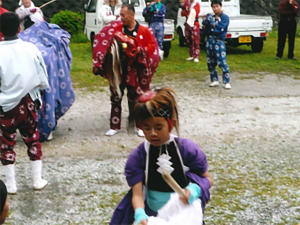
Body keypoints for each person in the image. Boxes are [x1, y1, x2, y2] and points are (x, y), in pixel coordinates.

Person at [110, 87, 213, 225]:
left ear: (171, 124)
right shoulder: (139, 156)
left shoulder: (186, 149)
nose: (153, 133)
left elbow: (208, 179)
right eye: (147, 128)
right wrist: (140, 213)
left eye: (158, 128)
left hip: (183, 215)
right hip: (153, 215)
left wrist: (195, 189)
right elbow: (137, 194)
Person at [93, 4, 159, 137]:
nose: (120, 18)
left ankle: (138, 125)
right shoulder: (117, 29)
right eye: (120, 15)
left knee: (136, 97)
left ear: (132, 15)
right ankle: (114, 125)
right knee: (116, 95)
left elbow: (152, 46)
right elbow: (108, 43)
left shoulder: (144, 31)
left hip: (135, 70)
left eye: (123, 15)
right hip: (119, 69)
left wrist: (139, 49)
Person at [0, 12, 49, 194]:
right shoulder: (31, 48)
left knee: (6, 143)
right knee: (33, 139)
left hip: (5, 105)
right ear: (19, 28)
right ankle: (37, 180)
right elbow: (43, 77)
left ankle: (11, 185)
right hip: (28, 101)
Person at [202, 0, 231, 89]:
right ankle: (214, 80)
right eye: (214, 7)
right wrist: (205, 22)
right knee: (210, 61)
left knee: (222, 60)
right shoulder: (212, 17)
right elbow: (206, 30)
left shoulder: (225, 18)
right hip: (210, 40)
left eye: (217, 6)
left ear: (220, 6)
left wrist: (212, 22)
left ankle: (226, 81)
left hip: (219, 40)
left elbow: (220, 28)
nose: (215, 9)